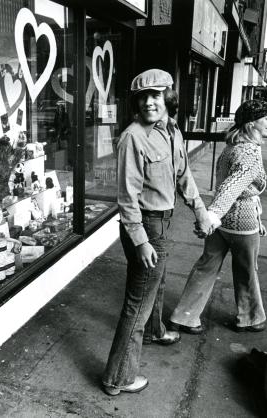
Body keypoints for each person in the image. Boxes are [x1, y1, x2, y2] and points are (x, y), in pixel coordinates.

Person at [102, 69, 212, 396]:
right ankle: (117, 378)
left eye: (156, 95)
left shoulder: (172, 130)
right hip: (146, 224)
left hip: (163, 220)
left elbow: (183, 174)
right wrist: (140, 241)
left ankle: (155, 331)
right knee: (138, 303)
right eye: (143, 97)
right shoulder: (133, 137)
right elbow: (126, 197)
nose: (150, 101)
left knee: (156, 284)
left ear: (168, 97)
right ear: (136, 102)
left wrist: (200, 209)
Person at [169, 100, 267, 335]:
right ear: (251, 123)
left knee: (206, 267)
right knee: (246, 271)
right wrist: (212, 216)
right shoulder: (249, 151)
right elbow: (232, 187)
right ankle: (251, 318)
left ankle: (184, 316)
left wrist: (214, 218)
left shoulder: (232, 146)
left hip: (223, 223)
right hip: (241, 222)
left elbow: (230, 185)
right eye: (266, 118)